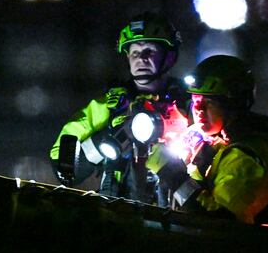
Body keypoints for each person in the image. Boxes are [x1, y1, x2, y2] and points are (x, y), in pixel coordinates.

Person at [50, 12, 188, 204]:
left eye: (150, 51)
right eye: (134, 53)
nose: (141, 59)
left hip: (178, 219)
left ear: (169, 55)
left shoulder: (190, 106)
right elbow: (62, 164)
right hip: (116, 215)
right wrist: (105, 141)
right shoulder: (108, 105)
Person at [145, 55, 268, 226]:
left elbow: (217, 222)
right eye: (195, 100)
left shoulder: (248, 156)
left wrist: (171, 173)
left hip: (248, 250)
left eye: (209, 101)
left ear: (233, 105)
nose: (198, 109)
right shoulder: (209, 139)